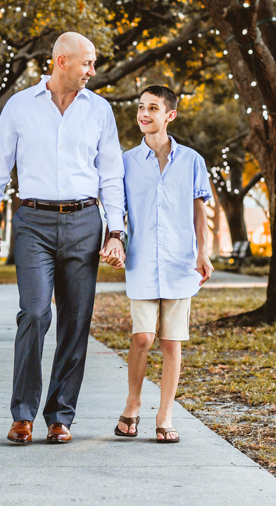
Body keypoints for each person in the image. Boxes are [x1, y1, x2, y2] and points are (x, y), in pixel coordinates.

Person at [0, 32, 126, 445]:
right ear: (61, 61)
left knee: (75, 322)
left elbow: (111, 174)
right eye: (87, 63)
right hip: (33, 222)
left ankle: (60, 417)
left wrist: (116, 231)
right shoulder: (20, 106)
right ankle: (22, 414)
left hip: (84, 221)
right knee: (36, 314)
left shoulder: (99, 110)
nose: (92, 71)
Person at [108, 85, 213, 444]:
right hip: (141, 262)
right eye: (141, 107)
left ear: (170, 115)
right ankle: (133, 403)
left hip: (180, 263)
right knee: (142, 337)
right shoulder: (125, 162)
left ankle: (165, 413)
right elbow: (116, 212)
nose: (144, 114)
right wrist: (115, 241)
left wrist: (204, 250)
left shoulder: (193, 161)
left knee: (171, 343)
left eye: (153, 108)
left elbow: (200, 210)